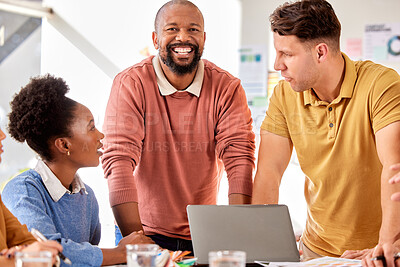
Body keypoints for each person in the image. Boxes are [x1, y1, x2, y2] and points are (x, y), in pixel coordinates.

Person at [252, 0, 400, 265]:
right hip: (315, 250)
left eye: (287, 54)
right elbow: (268, 171)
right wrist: (259, 248)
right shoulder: (284, 95)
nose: (277, 65)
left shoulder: (382, 85)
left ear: (320, 52)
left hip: (373, 253)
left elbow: (395, 168)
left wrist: (386, 245)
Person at [102, 0, 255, 252]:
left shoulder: (227, 87)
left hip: (204, 232)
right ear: (155, 38)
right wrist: (139, 243)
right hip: (141, 229)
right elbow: (118, 161)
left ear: (204, 39)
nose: (183, 37)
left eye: (193, 30)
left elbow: (239, 160)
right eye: (171, 29)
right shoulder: (130, 84)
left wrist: (238, 231)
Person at [2, 75, 153, 267]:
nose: (101, 135)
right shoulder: (23, 191)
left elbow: (88, 259)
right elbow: (46, 251)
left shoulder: (87, 196)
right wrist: (120, 252)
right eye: (91, 128)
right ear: (64, 145)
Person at [0, 128, 62, 263]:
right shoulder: (24, 188)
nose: (3, 135)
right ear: (63, 144)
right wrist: (18, 259)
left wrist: (24, 254)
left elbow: (28, 243)